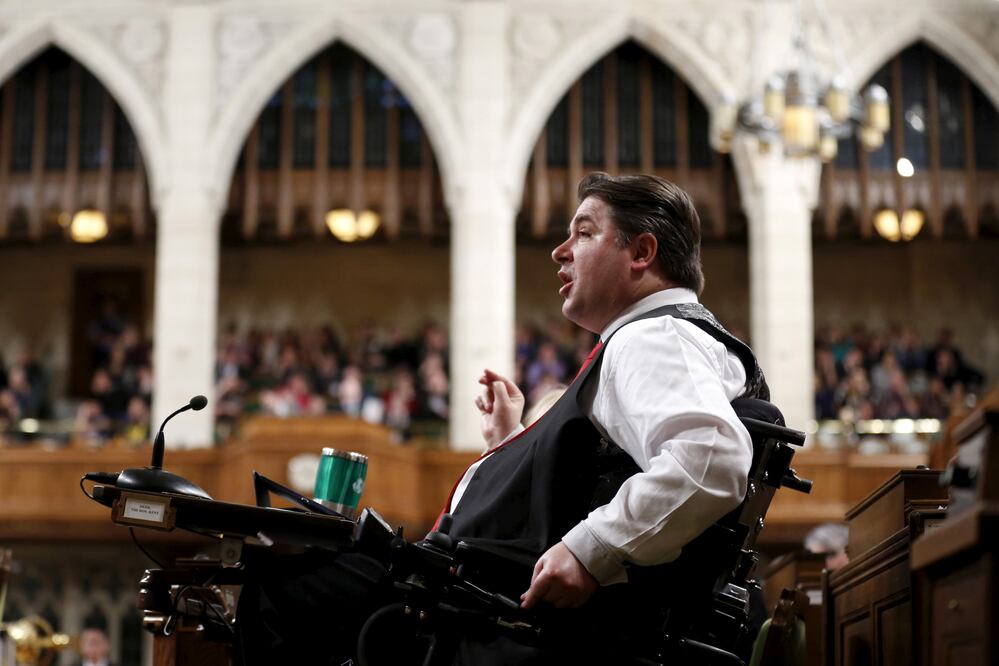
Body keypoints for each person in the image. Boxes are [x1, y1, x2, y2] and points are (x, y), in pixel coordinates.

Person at [236, 173, 768, 664]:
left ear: (641, 252)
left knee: (277, 578)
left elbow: (710, 459)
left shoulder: (653, 335)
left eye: (583, 234)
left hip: (486, 613)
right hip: (480, 596)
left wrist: (591, 551)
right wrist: (514, 446)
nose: (559, 252)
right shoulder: (652, 338)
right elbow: (588, 483)